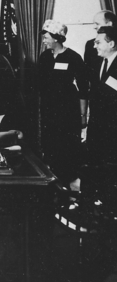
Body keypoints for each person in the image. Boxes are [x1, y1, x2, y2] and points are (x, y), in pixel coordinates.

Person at [38, 19, 88, 190]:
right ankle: (53, 183)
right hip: (48, 110)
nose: (43, 40)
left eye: (46, 37)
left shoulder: (73, 57)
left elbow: (83, 89)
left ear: (57, 38)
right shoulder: (44, 57)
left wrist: (83, 116)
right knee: (50, 145)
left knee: (66, 147)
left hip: (68, 110)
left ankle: (67, 183)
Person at [87, 26, 117, 165]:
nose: (94, 46)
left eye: (98, 42)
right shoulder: (97, 62)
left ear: (111, 44)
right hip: (97, 127)